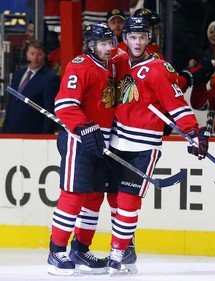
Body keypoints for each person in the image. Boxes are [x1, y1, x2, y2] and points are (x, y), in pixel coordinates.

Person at [107, 17, 210, 274]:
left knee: (129, 201)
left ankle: (117, 253)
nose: (138, 42)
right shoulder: (117, 62)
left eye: (142, 37)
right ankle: (127, 244)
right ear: (125, 38)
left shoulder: (160, 68)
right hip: (116, 140)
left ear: (149, 38)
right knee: (114, 198)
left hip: (144, 145)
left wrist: (193, 132)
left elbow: (177, 105)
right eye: (133, 37)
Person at [47, 23, 117, 276]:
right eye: (102, 43)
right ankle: (56, 251)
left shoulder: (109, 66)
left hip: (103, 140)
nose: (108, 48)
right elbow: (64, 105)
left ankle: (80, 248)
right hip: (79, 139)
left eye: (110, 42)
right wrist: (85, 127)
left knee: (95, 196)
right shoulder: (80, 65)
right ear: (90, 45)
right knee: (74, 195)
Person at [2, 40, 60, 134]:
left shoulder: (49, 78)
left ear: (45, 55)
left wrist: (45, 135)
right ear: (27, 55)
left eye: (39, 54)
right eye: (32, 54)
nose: (35, 57)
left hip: (33, 132)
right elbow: (12, 103)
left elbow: (49, 110)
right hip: (11, 130)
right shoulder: (18, 74)